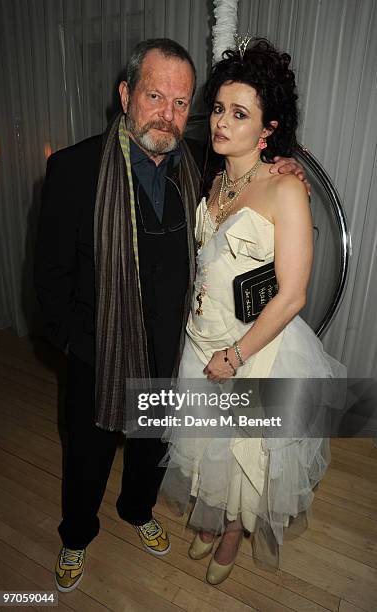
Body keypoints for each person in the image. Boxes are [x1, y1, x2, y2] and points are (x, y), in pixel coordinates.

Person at [34, 37, 308, 592]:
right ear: (125, 94)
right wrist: (79, 347)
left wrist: (288, 165)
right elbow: (48, 282)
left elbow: (254, 168)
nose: (168, 113)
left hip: (176, 347)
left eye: (182, 103)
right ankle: (76, 535)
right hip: (101, 349)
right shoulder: (73, 170)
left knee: (150, 450)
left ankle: (137, 511)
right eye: (155, 96)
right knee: (86, 454)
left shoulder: (198, 164)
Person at [160, 37, 346, 585]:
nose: (221, 122)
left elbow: (293, 295)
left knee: (243, 452)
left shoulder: (286, 188)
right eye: (219, 108)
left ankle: (234, 533)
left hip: (251, 349)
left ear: (268, 130)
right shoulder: (215, 177)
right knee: (206, 444)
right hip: (201, 339)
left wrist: (235, 355)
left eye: (240, 114)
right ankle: (213, 520)